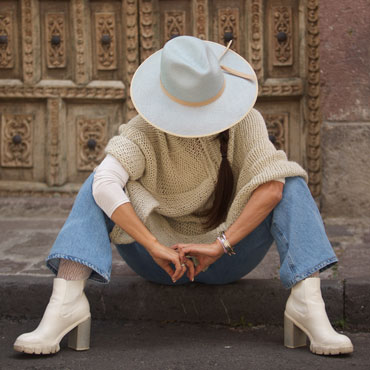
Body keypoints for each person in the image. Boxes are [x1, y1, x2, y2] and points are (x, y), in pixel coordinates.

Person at [13, 36, 353, 356]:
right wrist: (153, 245)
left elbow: (273, 188)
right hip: (159, 260)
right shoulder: (144, 131)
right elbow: (104, 183)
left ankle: (308, 305)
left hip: (227, 255)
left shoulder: (246, 122)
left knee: (287, 178)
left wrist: (218, 245)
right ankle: (66, 302)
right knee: (99, 181)